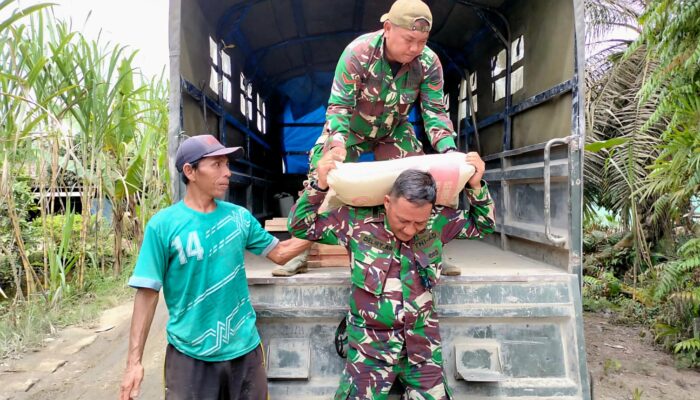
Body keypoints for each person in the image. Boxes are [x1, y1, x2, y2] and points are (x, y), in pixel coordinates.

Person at [273, 0, 464, 277]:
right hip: (351, 128)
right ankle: (300, 250)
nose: (415, 49)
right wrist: (336, 144)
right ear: (388, 28)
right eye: (409, 40)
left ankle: (429, 251)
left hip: (393, 130)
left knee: (419, 183)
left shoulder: (428, 62)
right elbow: (339, 106)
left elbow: (434, 110)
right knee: (323, 172)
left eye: (422, 41)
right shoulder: (358, 53)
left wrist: (449, 151)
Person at [288, 150, 496, 399]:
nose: (410, 229)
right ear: (387, 202)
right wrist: (318, 185)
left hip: (422, 348)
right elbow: (301, 225)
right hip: (370, 349)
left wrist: (476, 185)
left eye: (419, 223)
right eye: (403, 220)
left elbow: (483, 225)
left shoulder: (438, 221)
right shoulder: (356, 222)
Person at [119, 135, 309, 400]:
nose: (228, 172)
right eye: (217, 164)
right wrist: (134, 362)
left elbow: (280, 253)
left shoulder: (239, 217)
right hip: (189, 357)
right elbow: (147, 294)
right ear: (190, 171)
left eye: (227, 164)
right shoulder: (163, 226)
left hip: (245, 352)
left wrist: (322, 228)